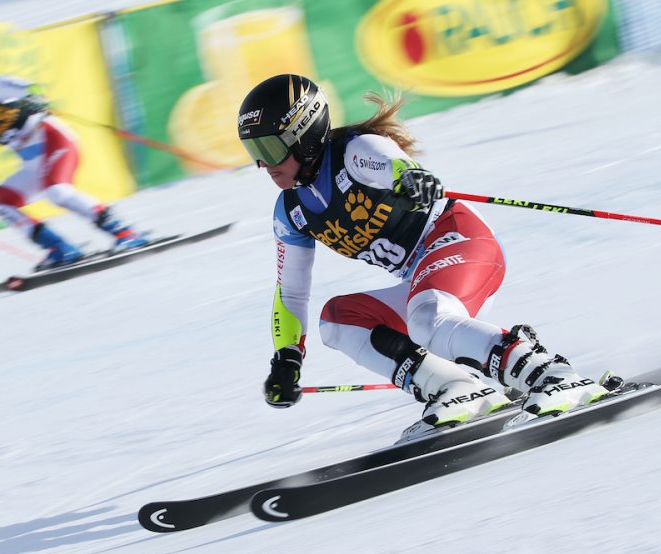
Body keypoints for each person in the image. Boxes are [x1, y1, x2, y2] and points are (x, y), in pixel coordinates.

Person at [238, 74, 613, 442]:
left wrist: (410, 179)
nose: (264, 165)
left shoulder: (355, 151)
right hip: (421, 277)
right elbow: (292, 292)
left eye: (269, 149)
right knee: (337, 321)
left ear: (303, 135)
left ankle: (553, 376)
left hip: (462, 241)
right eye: (255, 153)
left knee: (426, 318)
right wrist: (287, 357)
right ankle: (457, 388)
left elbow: (393, 164)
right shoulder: (290, 212)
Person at [0, 48, 149, 269]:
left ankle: (126, 233)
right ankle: (60, 249)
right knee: (0, 203)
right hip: (33, 164)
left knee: (57, 191)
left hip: (56, 141)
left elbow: (32, 88)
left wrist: (35, 99)